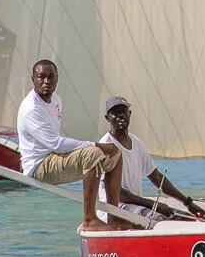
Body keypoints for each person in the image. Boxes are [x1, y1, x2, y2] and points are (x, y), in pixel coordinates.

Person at [15, 59, 128, 231]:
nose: (46, 81)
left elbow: (57, 144)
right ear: (33, 79)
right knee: (93, 153)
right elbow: (56, 143)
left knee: (115, 153)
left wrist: (102, 148)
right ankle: (89, 219)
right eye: (41, 77)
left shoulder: (56, 100)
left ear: (57, 79)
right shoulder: (32, 108)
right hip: (38, 166)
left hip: (53, 156)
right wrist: (97, 145)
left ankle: (114, 217)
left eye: (51, 77)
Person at [97, 96, 205, 224]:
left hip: (135, 205)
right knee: (161, 221)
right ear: (107, 118)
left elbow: (156, 177)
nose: (120, 116)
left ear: (130, 113)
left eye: (123, 111)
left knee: (187, 218)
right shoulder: (106, 146)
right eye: (115, 113)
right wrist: (152, 204)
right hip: (115, 209)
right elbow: (117, 194)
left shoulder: (137, 143)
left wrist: (188, 203)